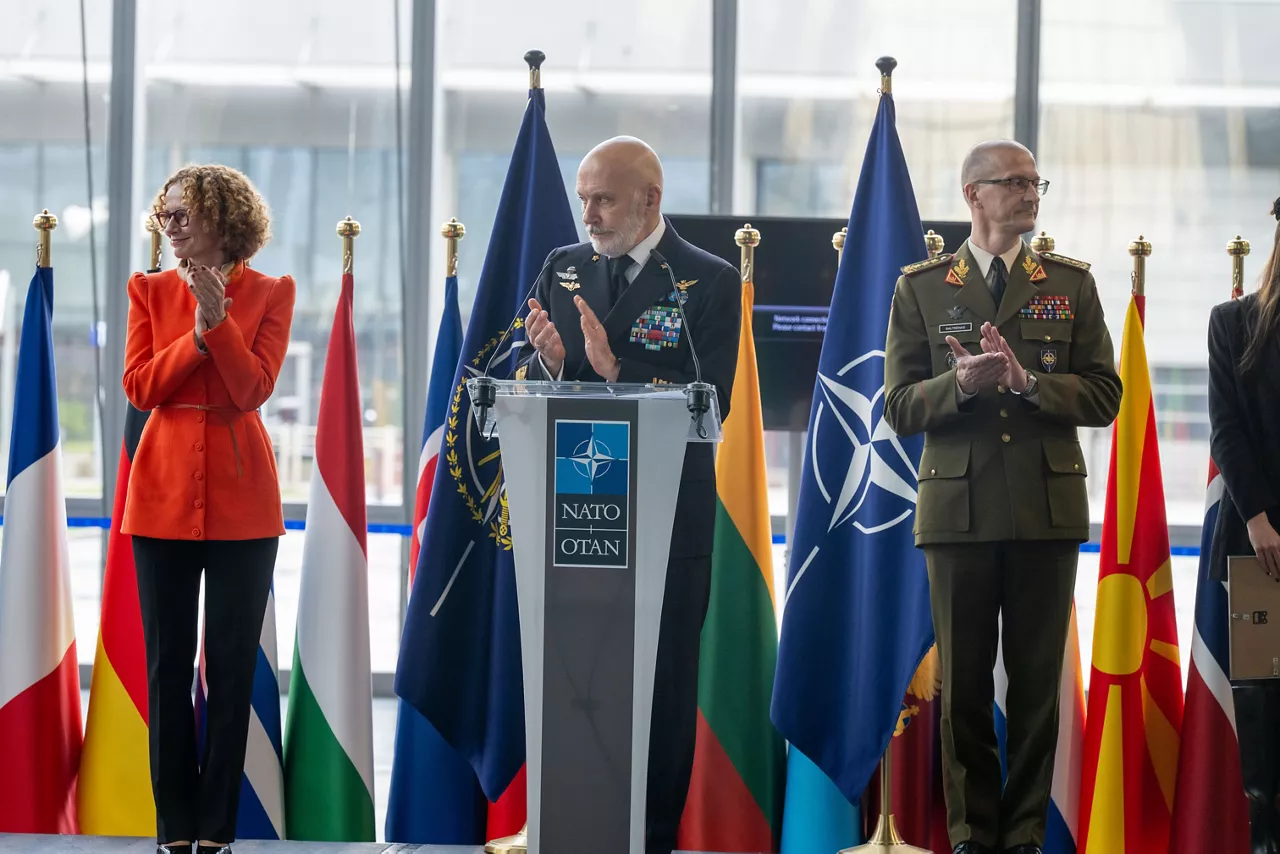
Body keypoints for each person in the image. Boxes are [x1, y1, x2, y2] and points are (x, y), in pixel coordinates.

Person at [883, 140, 1122, 854]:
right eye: (1013, 183)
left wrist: (1026, 384)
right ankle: (971, 838)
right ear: (973, 196)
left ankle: (1022, 837)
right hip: (958, 515)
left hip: (1044, 514)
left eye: (1034, 182)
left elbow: (1105, 395)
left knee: (1037, 689)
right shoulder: (922, 287)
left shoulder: (1070, 284)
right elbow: (896, 407)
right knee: (960, 693)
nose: (1030, 194)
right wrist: (960, 386)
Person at [516, 135, 741, 854]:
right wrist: (549, 365)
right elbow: (518, 372)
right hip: (577, 521)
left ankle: (652, 837)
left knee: (662, 687)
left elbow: (713, 406)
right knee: (579, 680)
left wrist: (621, 372)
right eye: (584, 198)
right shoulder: (564, 267)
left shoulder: (705, 279)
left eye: (603, 198)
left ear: (651, 199)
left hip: (669, 520)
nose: (589, 213)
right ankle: (576, 828)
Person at [122, 164, 295, 854]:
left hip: (243, 501)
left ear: (225, 219)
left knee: (229, 672)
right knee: (167, 669)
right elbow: (140, 388)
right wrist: (197, 336)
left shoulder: (272, 292)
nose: (170, 227)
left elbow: (252, 388)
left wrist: (220, 324)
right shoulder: (147, 291)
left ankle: (217, 835)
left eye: (183, 214)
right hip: (159, 495)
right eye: (163, 216)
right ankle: (174, 834)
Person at [1207, 197, 1280, 854]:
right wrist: (1256, 516)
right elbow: (1227, 430)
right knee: (1262, 698)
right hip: (1261, 548)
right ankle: (1264, 837)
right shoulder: (1234, 323)